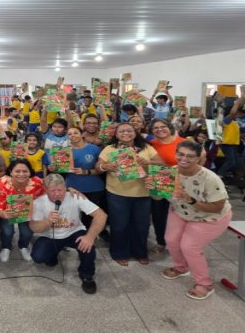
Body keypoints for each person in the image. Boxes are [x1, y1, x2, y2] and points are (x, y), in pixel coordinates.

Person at [161, 141, 232, 300]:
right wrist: (153, 188)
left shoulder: (210, 178)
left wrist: (190, 200)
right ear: (176, 154)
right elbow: (156, 197)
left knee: (189, 247)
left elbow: (217, 207)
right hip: (181, 212)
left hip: (209, 217)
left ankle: (205, 284)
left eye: (190, 156)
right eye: (180, 154)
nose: (184, 158)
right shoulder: (169, 173)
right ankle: (181, 267)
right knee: (171, 240)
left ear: (199, 158)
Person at [96, 122, 164, 266]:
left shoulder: (146, 148)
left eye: (129, 130)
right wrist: (105, 166)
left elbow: (161, 162)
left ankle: (140, 252)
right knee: (119, 225)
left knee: (142, 226)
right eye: (121, 131)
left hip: (143, 194)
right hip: (117, 193)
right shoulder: (110, 149)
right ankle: (119, 252)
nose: (125, 133)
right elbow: (98, 167)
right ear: (116, 134)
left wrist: (147, 161)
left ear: (135, 132)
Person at [30, 174, 107, 294]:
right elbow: (34, 227)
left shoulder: (75, 196)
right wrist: (47, 222)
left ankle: (87, 275)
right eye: (52, 191)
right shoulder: (38, 202)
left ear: (65, 187)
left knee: (88, 247)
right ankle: (53, 255)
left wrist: (90, 236)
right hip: (50, 235)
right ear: (45, 190)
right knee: (38, 257)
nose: (57, 194)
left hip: (74, 232)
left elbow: (101, 215)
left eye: (60, 190)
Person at [0, 159, 46, 262]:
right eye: (17, 171)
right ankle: (6, 247)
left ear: (30, 172)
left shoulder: (37, 182)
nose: (21, 174)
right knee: (7, 231)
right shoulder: (1, 184)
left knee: (27, 232)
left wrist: (70, 189)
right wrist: (3, 214)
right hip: (7, 211)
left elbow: (50, 191)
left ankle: (23, 246)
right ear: (10, 172)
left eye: (25, 171)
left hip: (28, 212)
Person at [148, 118, 186, 254]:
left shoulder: (183, 142)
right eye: (155, 128)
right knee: (159, 215)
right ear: (151, 131)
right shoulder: (150, 144)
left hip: (181, 182)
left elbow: (198, 160)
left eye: (163, 126)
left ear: (170, 127)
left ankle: (183, 243)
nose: (160, 129)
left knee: (182, 214)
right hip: (160, 182)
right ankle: (161, 242)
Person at [62, 127, 107, 239]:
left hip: (94, 187)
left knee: (91, 215)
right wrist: (54, 167)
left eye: (76, 133)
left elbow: (102, 169)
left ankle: (90, 236)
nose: (73, 136)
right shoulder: (64, 151)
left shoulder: (95, 149)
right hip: (73, 187)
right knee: (72, 215)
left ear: (82, 134)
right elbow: (60, 169)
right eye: (69, 134)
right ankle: (73, 236)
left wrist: (86, 172)